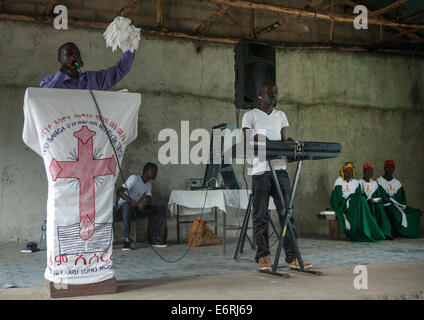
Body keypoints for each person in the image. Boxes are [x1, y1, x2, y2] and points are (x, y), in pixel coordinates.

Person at [242, 83, 312, 271]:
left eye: (275, 93)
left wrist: (289, 146)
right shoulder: (250, 116)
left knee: (287, 214)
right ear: (260, 95)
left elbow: (282, 143)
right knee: (260, 215)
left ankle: (292, 258)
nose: (273, 95)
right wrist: (265, 142)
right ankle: (263, 257)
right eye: (269, 93)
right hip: (260, 171)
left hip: (280, 170)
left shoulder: (281, 116)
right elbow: (249, 142)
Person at [114, 162, 167, 250]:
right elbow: (119, 192)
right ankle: (127, 240)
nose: (155, 174)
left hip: (135, 210)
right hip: (122, 211)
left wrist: (145, 202)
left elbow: (149, 197)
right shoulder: (134, 178)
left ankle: (154, 238)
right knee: (127, 206)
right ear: (146, 171)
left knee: (160, 206)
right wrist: (137, 203)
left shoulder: (148, 184)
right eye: (154, 172)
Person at [40, 42, 135, 90]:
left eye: (77, 54)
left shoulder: (93, 79)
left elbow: (120, 70)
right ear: (60, 60)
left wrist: (130, 47)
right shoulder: (48, 81)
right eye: (69, 55)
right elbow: (43, 97)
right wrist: (64, 68)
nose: (74, 57)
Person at [330, 162, 386, 242]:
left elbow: (358, 194)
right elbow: (337, 198)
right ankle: (361, 232)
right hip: (344, 204)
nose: (349, 173)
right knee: (361, 200)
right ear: (343, 172)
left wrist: (354, 198)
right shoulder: (339, 181)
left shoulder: (356, 183)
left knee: (362, 200)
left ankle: (369, 231)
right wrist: (350, 198)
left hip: (355, 203)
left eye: (351, 171)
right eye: (347, 171)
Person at [377, 160, 422, 238]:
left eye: (392, 167)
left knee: (415, 212)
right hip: (386, 206)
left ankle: (410, 232)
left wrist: (390, 199)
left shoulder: (397, 183)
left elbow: (401, 198)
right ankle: (396, 232)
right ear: (384, 168)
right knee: (394, 213)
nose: (390, 169)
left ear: (394, 169)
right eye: (388, 167)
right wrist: (388, 199)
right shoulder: (379, 181)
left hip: (397, 205)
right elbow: (380, 195)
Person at [358, 163, 393, 239]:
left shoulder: (374, 183)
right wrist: (367, 200)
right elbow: (358, 195)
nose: (369, 173)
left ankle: (385, 233)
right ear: (364, 172)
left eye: (371, 171)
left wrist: (377, 200)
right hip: (365, 204)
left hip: (373, 203)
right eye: (367, 171)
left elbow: (378, 196)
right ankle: (372, 233)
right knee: (371, 209)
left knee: (381, 210)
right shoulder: (359, 182)